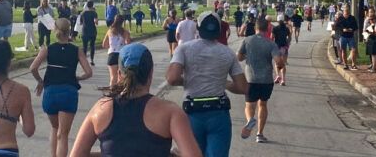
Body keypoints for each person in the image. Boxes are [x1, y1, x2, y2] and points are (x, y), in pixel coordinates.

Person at [70, 43, 201, 157]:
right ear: (150, 74)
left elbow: (76, 154)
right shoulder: (170, 112)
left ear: (119, 75)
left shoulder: (101, 108)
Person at [167, 12, 247, 156]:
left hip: (193, 112)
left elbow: (172, 78)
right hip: (218, 112)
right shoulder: (228, 53)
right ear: (219, 29)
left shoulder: (184, 49)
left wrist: (188, 80)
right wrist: (224, 83)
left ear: (198, 27)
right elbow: (242, 87)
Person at [30, 18, 93, 157]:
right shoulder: (77, 50)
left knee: (54, 128)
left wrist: (40, 81)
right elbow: (89, 72)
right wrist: (78, 78)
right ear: (69, 31)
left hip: (50, 91)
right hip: (69, 92)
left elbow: (33, 68)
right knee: (63, 134)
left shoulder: (47, 49)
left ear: (55, 30)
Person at [237, 15, 283, 144]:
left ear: (255, 28)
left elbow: (239, 57)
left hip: (250, 79)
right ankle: (259, 134)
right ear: (267, 28)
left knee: (249, 105)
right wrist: (281, 66)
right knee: (263, 104)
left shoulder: (247, 40)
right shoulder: (271, 43)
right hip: (266, 80)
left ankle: (250, 119)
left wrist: (248, 56)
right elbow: (278, 60)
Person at [103, 15, 131, 86]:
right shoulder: (125, 32)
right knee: (121, 76)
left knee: (113, 77)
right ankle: (120, 93)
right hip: (121, 55)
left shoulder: (110, 31)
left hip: (112, 54)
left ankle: (112, 93)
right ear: (122, 22)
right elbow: (128, 44)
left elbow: (104, 44)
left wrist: (111, 45)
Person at [336, 4, 359, 70]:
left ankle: (353, 64)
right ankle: (345, 64)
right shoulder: (340, 18)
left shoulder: (352, 18)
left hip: (350, 36)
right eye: (345, 11)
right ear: (343, 11)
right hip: (343, 36)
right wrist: (343, 29)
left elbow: (356, 27)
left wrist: (352, 29)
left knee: (353, 50)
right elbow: (336, 26)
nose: (346, 13)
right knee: (343, 50)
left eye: (348, 11)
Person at [272, 15, 292, 85]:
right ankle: (283, 79)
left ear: (277, 20)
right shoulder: (286, 29)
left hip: (277, 47)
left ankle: (277, 75)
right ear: (283, 20)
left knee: (277, 63)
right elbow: (289, 37)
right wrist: (288, 43)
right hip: (284, 48)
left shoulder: (275, 29)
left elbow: (272, 38)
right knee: (283, 64)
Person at [80, 0, 99, 66]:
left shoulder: (83, 13)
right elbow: (96, 22)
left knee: (84, 47)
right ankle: (92, 60)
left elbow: (81, 23)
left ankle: (84, 61)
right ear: (92, 6)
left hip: (85, 31)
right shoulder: (94, 13)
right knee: (92, 46)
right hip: (92, 31)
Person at [363, 6, 376, 73]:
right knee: (372, 54)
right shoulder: (370, 24)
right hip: (370, 39)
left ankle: (375, 67)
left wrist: (372, 33)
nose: (371, 20)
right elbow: (365, 30)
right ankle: (373, 66)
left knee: (375, 54)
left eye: (372, 19)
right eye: (370, 19)